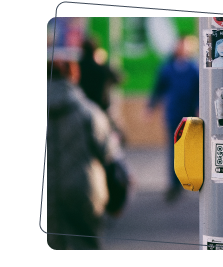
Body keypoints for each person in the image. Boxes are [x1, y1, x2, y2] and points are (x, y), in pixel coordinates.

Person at [47, 43, 130, 249]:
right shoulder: (88, 113)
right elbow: (111, 160)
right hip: (83, 196)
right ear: (73, 73)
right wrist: (117, 201)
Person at [145, 35, 199, 202]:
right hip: (173, 114)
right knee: (174, 150)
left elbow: (199, 91)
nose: (183, 48)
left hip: (189, 117)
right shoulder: (167, 68)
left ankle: (189, 180)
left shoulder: (194, 68)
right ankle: (173, 184)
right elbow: (158, 88)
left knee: (189, 150)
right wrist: (150, 107)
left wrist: (198, 108)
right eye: (181, 45)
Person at [78, 38, 125, 145]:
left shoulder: (78, 68)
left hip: (82, 110)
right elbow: (119, 78)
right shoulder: (101, 68)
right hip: (101, 109)